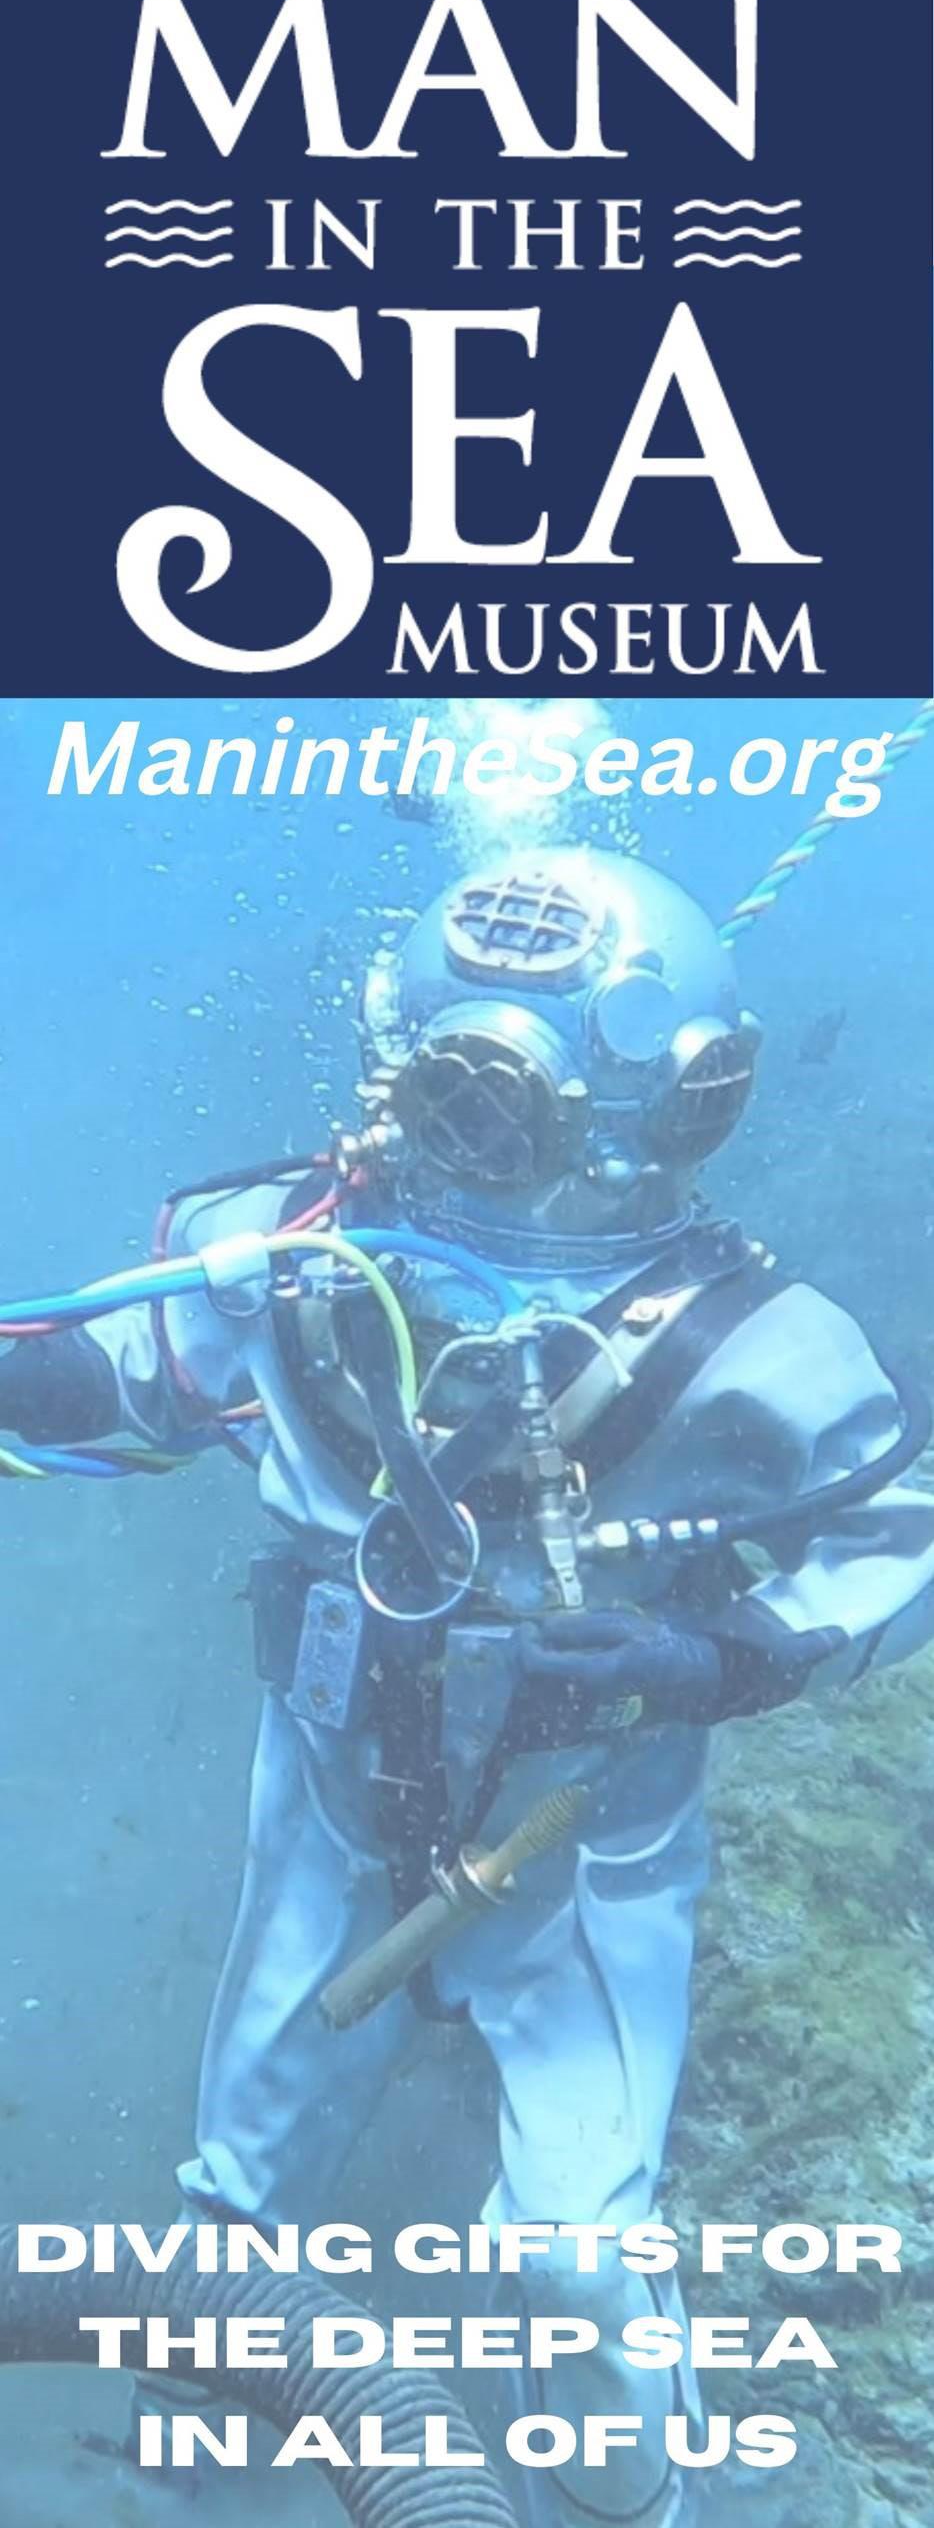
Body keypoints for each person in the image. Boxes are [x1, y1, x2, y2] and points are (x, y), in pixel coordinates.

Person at [4, 848, 934, 2528]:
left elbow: (896, 1532)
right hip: (331, 1789)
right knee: (230, 2228)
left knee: (579, 2256)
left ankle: (621, 2509)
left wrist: (721, 1656)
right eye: (460, 1086)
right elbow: (121, 1376)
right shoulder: (290, 1254)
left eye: (500, 1092)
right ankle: (175, 2504)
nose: (476, 1127)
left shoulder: (759, 1344)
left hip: (586, 1823)